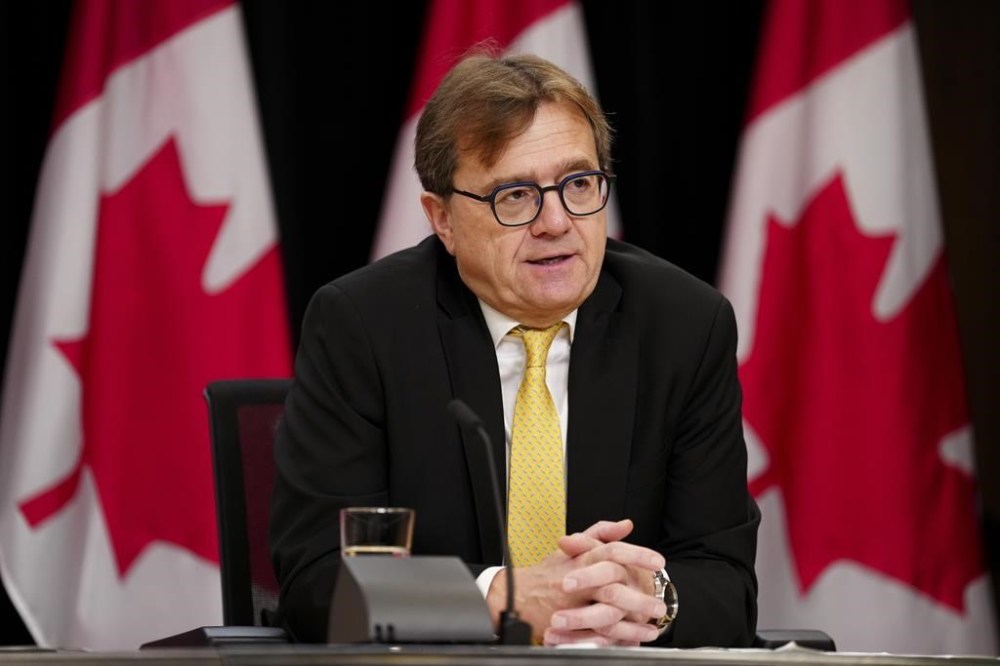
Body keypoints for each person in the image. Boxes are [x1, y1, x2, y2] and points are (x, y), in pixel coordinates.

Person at [269, 47, 759, 648]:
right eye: (516, 195)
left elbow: (727, 586)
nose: (556, 221)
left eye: (579, 184)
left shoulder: (683, 326)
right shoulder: (366, 328)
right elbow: (320, 582)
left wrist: (647, 598)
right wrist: (505, 597)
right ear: (442, 219)